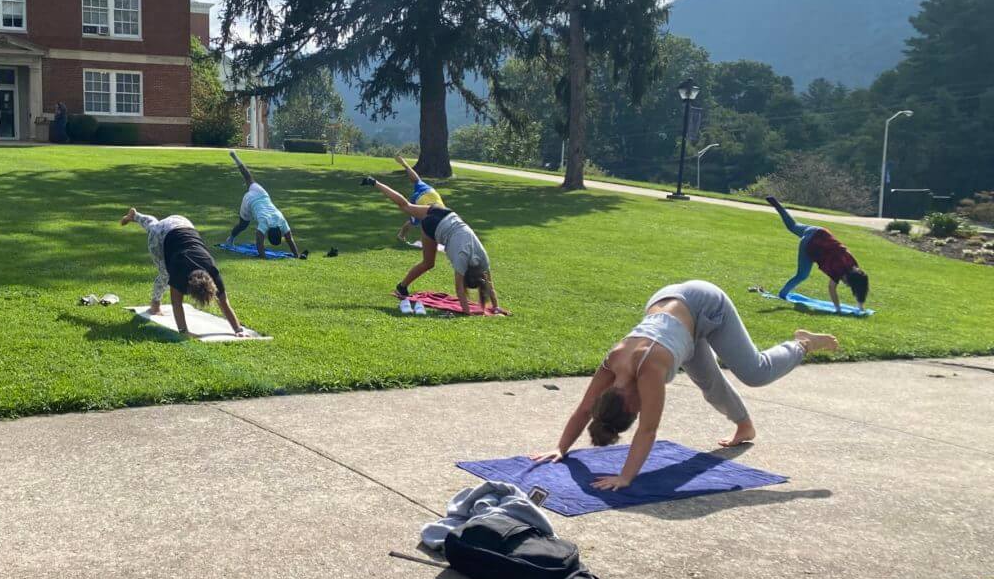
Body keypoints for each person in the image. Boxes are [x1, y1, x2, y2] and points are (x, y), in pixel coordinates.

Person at [531, 280, 838, 490]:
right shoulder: (613, 362)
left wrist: (625, 477)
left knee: (755, 373)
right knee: (708, 382)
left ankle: (803, 344)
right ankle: (745, 427)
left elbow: (647, 430)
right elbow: (586, 409)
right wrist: (560, 448)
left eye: (635, 411)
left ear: (628, 404)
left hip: (703, 303)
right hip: (668, 306)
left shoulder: (648, 368)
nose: (641, 410)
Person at [361, 176, 498, 314]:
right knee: (428, 263)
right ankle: (401, 286)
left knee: (406, 206)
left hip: (445, 213)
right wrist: (468, 313)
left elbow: (489, 285)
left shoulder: (483, 257)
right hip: (433, 226)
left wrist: (496, 307)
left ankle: (374, 182)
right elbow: (460, 290)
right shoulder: (462, 260)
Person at [121, 207, 246, 337]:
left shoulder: (212, 271)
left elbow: (224, 303)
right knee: (164, 274)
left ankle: (135, 216)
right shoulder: (179, 271)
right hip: (165, 233)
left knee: (155, 226)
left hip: (181, 222)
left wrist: (238, 330)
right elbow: (176, 303)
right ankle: (155, 305)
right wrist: (183, 331)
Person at [766, 196, 868, 313]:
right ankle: (782, 295)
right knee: (802, 275)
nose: (844, 283)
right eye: (847, 283)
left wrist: (860, 306)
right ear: (848, 277)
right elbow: (832, 288)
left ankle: (777, 205)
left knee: (793, 226)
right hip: (810, 244)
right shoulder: (839, 270)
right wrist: (838, 309)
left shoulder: (853, 264)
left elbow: (860, 285)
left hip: (818, 231)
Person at [226, 150, 304, 259]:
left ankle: (235, 157)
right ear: (268, 233)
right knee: (243, 225)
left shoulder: (281, 220)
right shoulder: (265, 222)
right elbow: (259, 240)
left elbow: (289, 239)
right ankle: (230, 239)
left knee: (248, 177)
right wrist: (263, 257)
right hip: (249, 200)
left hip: (262, 194)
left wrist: (297, 256)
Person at [393, 155, 445, 245]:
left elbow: (416, 179)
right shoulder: (436, 215)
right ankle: (401, 236)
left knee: (415, 221)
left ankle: (401, 236)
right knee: (415, 221)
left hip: (429, 192)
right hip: (421, 199)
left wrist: (405, 164)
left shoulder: (441, 213)